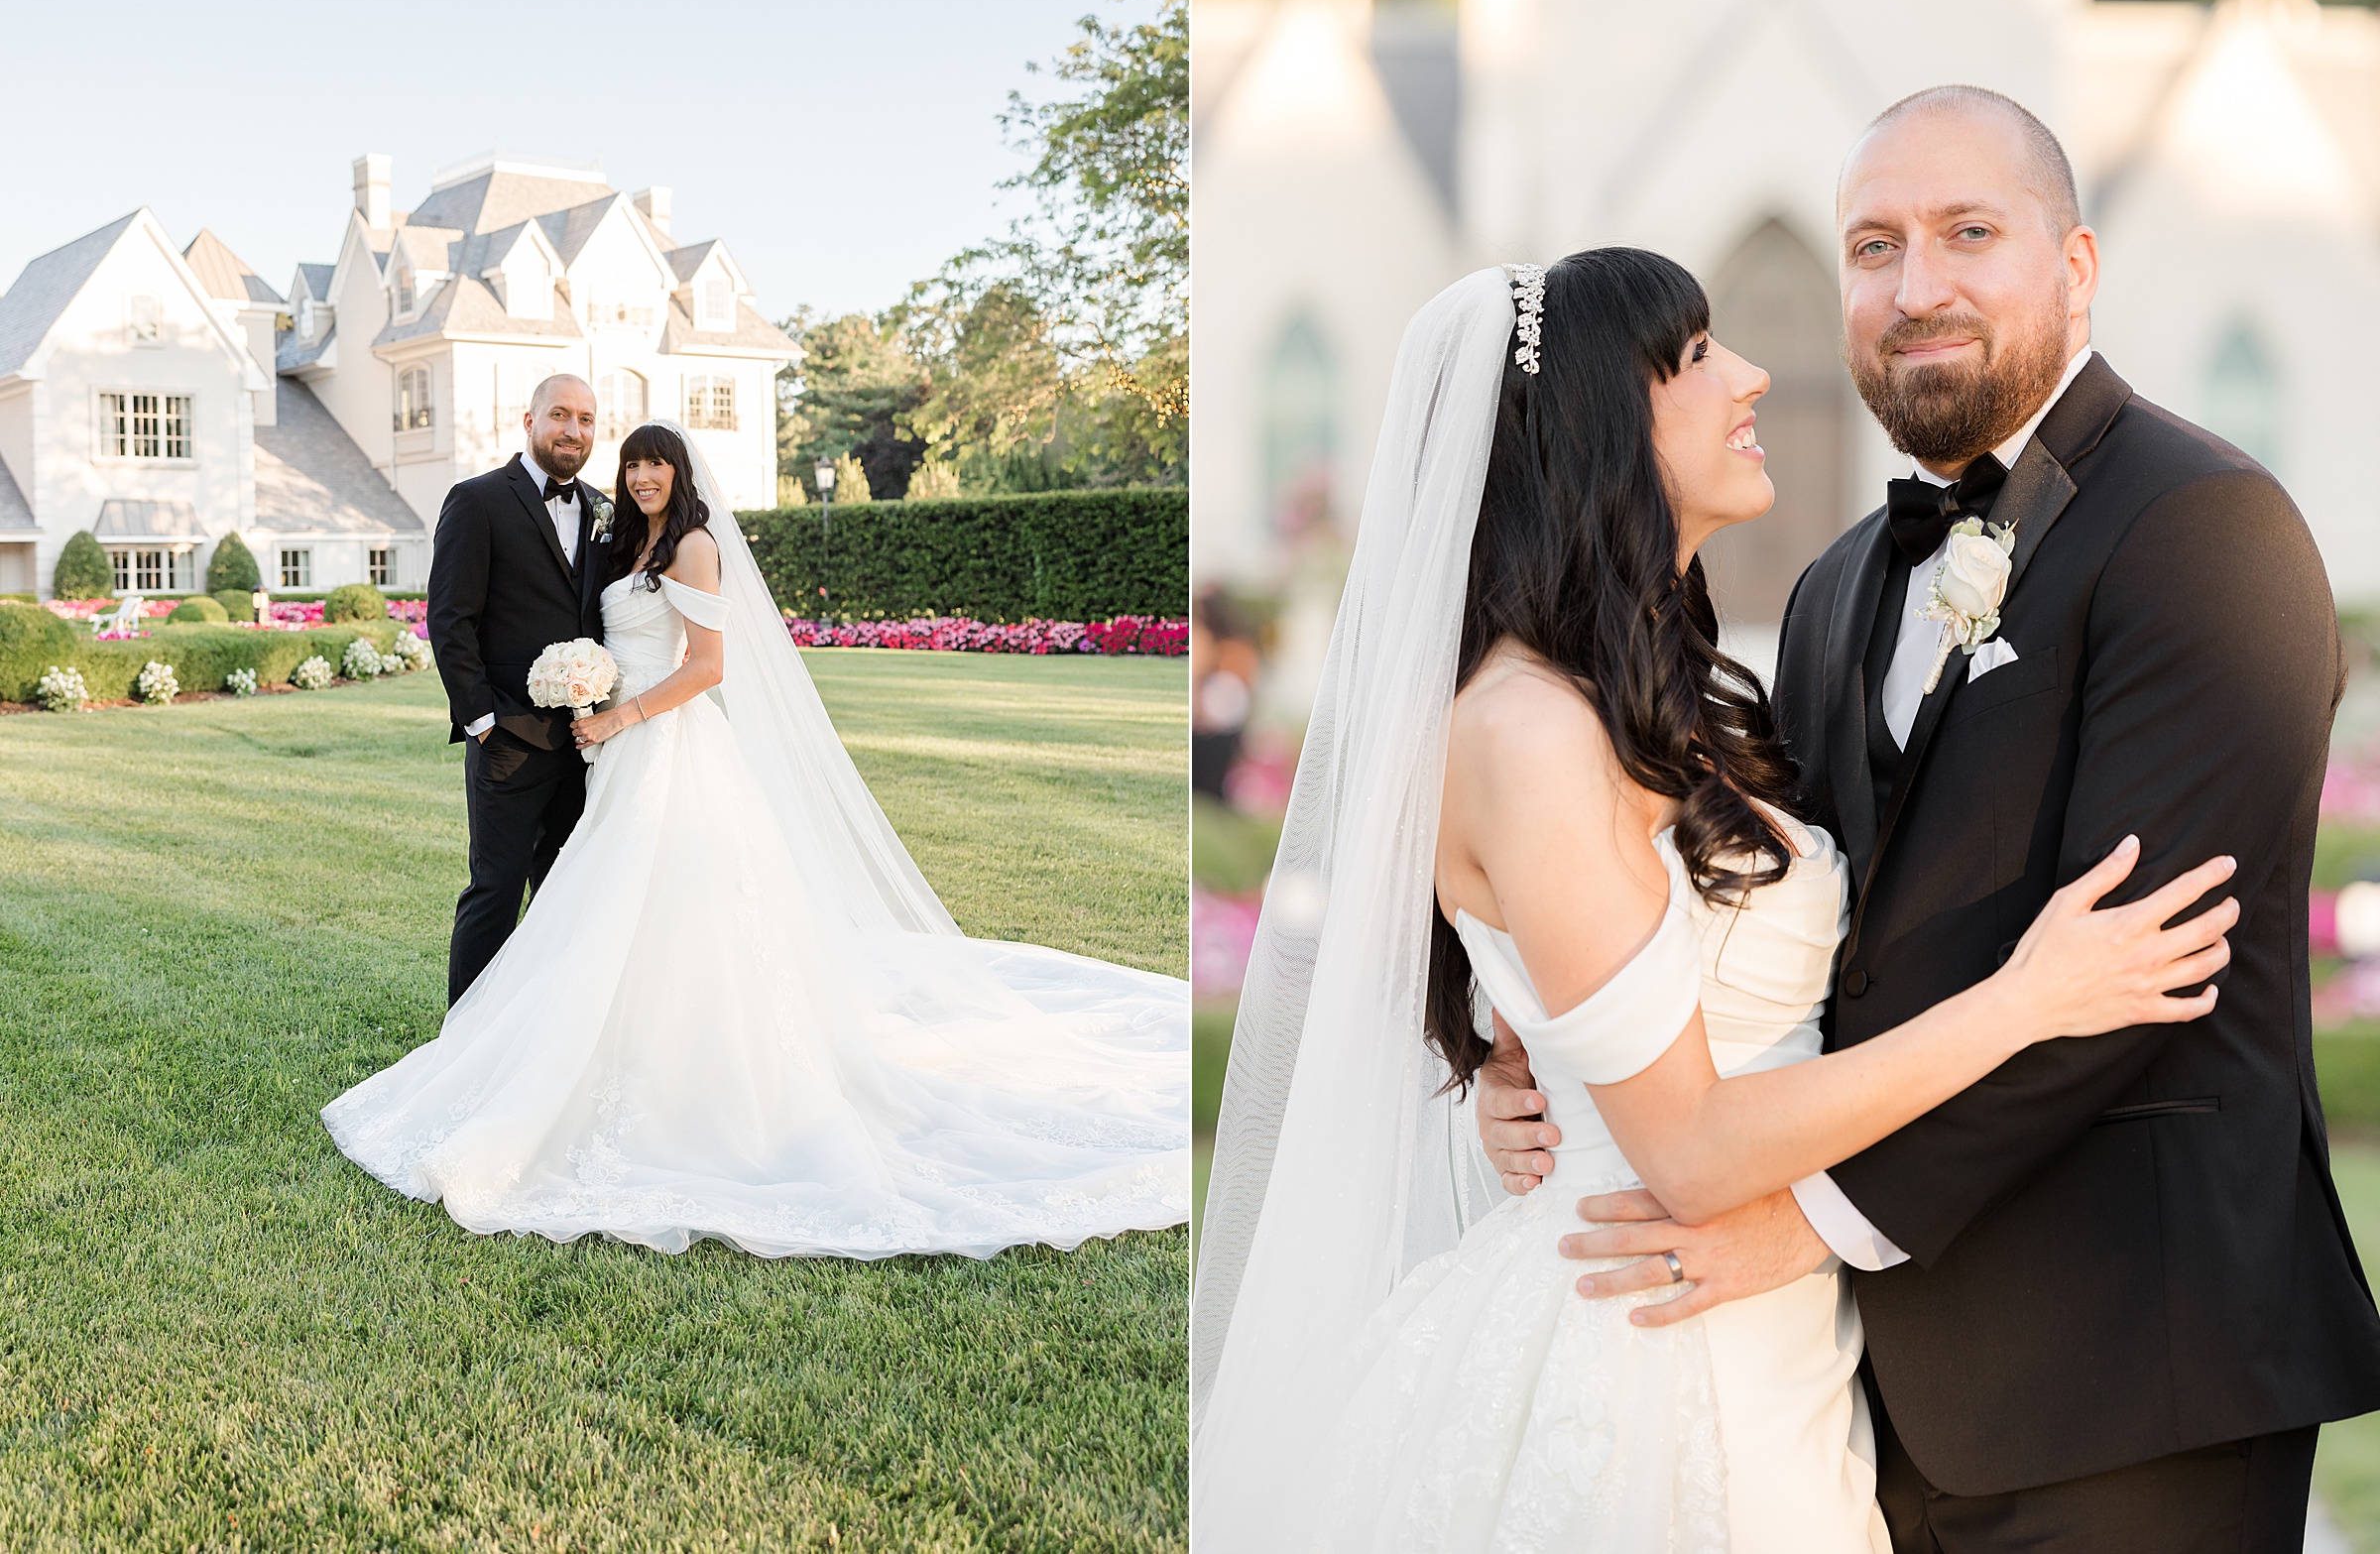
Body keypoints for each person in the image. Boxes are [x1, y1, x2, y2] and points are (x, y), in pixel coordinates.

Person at [1191, 244, 2236, 1551]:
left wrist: (1537, 1074)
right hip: (1653, 1353)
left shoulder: (1633, 695)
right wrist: (2025, 1001)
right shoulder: (1528, 730)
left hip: (1764, 1338)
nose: (1749, 374)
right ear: (1593, 428)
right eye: (1693, 356)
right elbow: (1685, 1148)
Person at [1472, 88, 2380, 1550]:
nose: (1919, 285)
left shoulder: (2206, 527)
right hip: (1863, 1396)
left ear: (2077, 265)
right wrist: (1529, 1054)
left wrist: (1801, 1222)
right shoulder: (1832, 590)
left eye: (1970, 232)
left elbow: (2135, 980)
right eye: (1875, 246)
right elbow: (1769, 919)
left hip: (2130, 1377)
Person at [327, 419, 1187, 1259]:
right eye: (631, 466)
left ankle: (689, 1073)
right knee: (590, 905)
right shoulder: (618, 538)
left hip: (665, 747)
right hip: (607, 754)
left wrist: (619, 711)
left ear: (682, 474)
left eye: (654, 466)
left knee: (665, 904)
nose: (640, 479)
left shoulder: (693, 545)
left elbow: (709, 665)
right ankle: (540, 1046)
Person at [425, 373, 611, 1005]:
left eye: (586, 419)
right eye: (560, 415)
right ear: (527, 420)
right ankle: (465, 1040)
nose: (573, 431)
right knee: (495, 891)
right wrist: (481, 719)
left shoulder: (602, 509)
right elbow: (450, 618)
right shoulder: (477, 499)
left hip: (588, 740)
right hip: (507, 734)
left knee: (568, 893)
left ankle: (544, 1032)